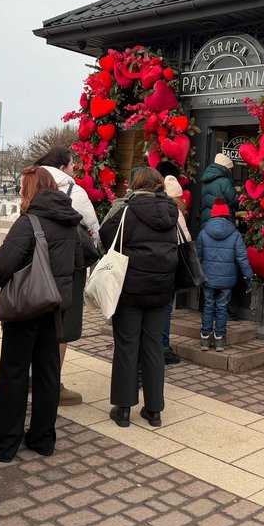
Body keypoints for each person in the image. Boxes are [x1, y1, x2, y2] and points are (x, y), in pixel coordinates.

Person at [0, 166, 81, 462]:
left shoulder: (28, 222)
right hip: (53, 308)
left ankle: (6, 442)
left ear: (30, 189)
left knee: (14, 373)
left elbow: (3, 266)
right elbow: (78, 262)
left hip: (25, 307)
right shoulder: (70, 221)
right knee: (48, 373)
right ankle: (43, 439)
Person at [98, 167, 178, 428]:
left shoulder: (128, 209)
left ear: (135, 184)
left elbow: (104, 235)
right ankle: (154, 410)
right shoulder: (171, 211)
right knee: (154, 347)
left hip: (130, 288)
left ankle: (123, 410)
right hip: (161, 288)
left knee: (127, 345)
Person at [35, 147, 99, 406]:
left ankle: (33, 376)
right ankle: (53, 384)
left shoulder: (32, 184)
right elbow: (94, 228)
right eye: (73, 165)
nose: (75, 170)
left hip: (37, 264)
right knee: (62, 327)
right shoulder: (75, 191)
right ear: (62, 168)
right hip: (68, 267)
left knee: (37, 321)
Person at [195, 198, 253, 352]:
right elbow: (242, 258)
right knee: (221, 308)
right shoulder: (235, 234)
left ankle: (205, 339)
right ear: (228, 216)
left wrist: (196, 275)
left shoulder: (203, 233)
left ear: (212, 215)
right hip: (227, 280)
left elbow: (197, 257)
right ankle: (220, 339)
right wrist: (248, 275)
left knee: (208, 306)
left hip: (208, 278)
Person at [161, 175, 191, 364]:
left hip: (151, 265)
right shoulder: (176, 211)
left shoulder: (153, 206)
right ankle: (163, 346)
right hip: (169, 265)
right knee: (165, 308)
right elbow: (185, 239)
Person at [199, 153, 237, 226]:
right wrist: (237, 193)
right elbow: (233, 201)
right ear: (226, 168)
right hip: (222, 222)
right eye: (230, 169)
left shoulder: (205, 180)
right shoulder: (225, 181)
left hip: (206, 221)